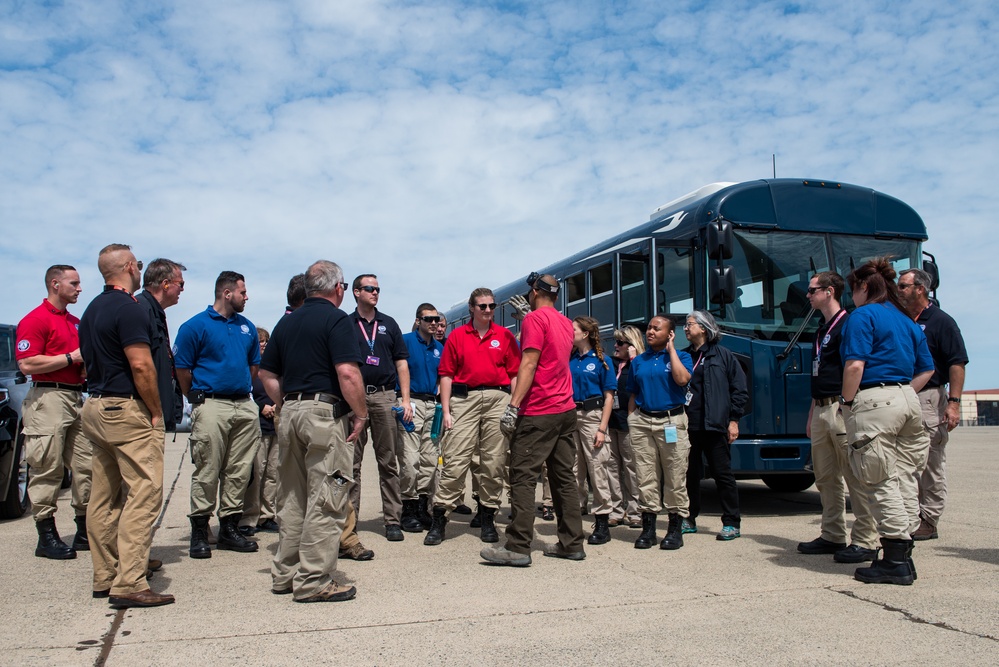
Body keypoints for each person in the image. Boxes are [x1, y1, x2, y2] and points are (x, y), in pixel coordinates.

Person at [259, 260, 368, 603]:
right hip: (325, 415)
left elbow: (266, 375)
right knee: (330, 497)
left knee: (292, 497)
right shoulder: (336, 319)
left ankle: (285, 575)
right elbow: (348, 373)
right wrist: (361, 414)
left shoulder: (286, 324)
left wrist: (291, 404)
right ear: (338, 288)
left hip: (289, 413)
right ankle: (314, 580)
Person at [78, 244, 173, 608]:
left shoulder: (92, 310)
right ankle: (130, 581)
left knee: (104, 496)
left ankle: (106, 574)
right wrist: (154, 411)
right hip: (125, 407)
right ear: (130, 267)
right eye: (138, 264)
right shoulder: (128, 308)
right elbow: (141, 366)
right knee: (144, 493)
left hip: (96, 405)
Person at [840, 258, 933, 585]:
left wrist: (848, 402)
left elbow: (854, 366)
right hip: (908, 399)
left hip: (874, 400)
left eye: (852, 289)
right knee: (906, 476)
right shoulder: (907, 321)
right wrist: (903, 391)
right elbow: (927, 369)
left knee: (878, 480)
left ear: (863, 286)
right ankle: (903, 556)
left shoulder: (862, 315)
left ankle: (894, 558)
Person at [481, 273, 583, 566]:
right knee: (564, 479)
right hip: (565, 409)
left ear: (535, 291)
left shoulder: (534, 321)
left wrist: (513, 407)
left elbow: (529, 363)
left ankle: (518, 546)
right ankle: (571, 543)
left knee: (523, 477)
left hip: (539, 410)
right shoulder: (565, 321)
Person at [174, 271, 261, 558]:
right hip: (211, 404)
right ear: (226, 293)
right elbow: (182, 369)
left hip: (243, 405)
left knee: (239, 470)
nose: (246, 297)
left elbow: (252, 367)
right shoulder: (194, 326)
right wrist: (195, 397)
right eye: (242, 292)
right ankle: (200, 530)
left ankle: (229, 528)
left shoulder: (247, 327)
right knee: (208, 468)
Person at [424, 288, 520, 546]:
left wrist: (514, 405)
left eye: (491, 306)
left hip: (497, 399)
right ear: (471, 308)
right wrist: (446, 410)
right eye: (482, 306)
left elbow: (514, 374)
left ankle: (487, 516)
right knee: (456, 459)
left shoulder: (505, 336)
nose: (487, 310)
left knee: (494, 461)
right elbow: (445, 374)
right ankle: (440, 517)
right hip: (463, 400)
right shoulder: (457, 336)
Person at [796, 272, 878, 564]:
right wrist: (811, 413)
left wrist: (847, 403)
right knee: (825, 477)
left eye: (812, 290)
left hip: (841, 408)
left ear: (829, 291)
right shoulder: (821, 329)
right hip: (820, 408)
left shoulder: (848, 324)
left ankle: (866, 539)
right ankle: (832, 534)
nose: (808, 295)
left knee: (854, 475)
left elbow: (854, 366)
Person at [15, 264, 93, 559]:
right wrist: (69, 357)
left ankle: (84, 530)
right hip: (48, 396)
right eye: (74, 283)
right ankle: (46, 536)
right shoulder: (35, 320)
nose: (79, 288)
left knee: (87, 466)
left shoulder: (75, 322)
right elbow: (27, 364)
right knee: (47, 466)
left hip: (76, 397)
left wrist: (83, 365)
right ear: (55, 284)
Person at [897, 268, 969, 541]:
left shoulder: (941, 322)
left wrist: (954, 404)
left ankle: (929, 518)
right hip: (903, 394)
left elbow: (957, 364)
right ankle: (909, 514)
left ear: (920, 289)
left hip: (930, 398)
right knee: (906, 460)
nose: (899, 290)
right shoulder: (902, 319)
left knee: (930, 462)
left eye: (903, 286)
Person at [349, 274, 410, 541]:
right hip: (355, 399)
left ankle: (392, 520)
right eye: (370, 288)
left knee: (388, 461)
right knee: (351, 463)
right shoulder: (346, 324)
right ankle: (349, 522)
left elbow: (401, 364)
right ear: (356, 292)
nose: (375, 292)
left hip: (385, 397)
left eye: (377, 289)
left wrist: (405, 399)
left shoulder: (389, 324)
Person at [627, 316, 693, 550]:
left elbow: (682, 379)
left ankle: (675, 529)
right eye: (649, 328)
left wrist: (672, 349)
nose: (650, 331)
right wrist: (631, 419)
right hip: (643, 421)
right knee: (645, 477)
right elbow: (633, 393)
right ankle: (649, 529)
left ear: (670, 333)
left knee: (675, 475)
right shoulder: (639, 361)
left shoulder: (682, 356)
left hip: (671, 421)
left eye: (657, 328)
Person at [683, 310, 748, 541]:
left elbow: (739, 390)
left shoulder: (724, 356)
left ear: (704, 328)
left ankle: (731, 522)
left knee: (723, 475)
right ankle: (689, 518)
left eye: (690, 324)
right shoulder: (683, 356)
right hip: (689, 426)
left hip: (715, 425)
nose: (685, 328)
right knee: (689, 475)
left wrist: (733, 420)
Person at [569, 316, 617, 545]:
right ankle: (574, 516)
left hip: (593, 416)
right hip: (571, 416)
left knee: (597, 468)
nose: (570, 332)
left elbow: (609, 397)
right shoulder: (570, 360)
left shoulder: (602, 360)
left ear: (585, 333)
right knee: (573, 469)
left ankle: (602, 521)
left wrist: (602, 429)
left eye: (574, 329)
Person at [397, 303, 445, 532]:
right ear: (418, 321)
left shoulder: (439, 348)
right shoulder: (405, 341)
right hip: (411, 403)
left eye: (436, 319)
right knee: (410, 459)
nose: (434, 323)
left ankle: (421, 507)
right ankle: (407, 507)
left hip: (431, 405)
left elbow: (444, 375)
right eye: (429, 319)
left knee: (430, 460)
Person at [135, 259, 187, 432]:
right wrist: (156, 410)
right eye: (180, 283)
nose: (182, 289)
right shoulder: (140, 308)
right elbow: (140, 364)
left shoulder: (155, 311)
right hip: (144, 412)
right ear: (165, 284)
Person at [240, 327, 280, 535]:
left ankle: (267, 515)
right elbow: (244, 391)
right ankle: (249, 517)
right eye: (260, 341)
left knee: (273, 473)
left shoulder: (274, 366)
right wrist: (260, 407)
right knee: (256, 473)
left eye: (266, 341)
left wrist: (276, 406)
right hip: (257, 426)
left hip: (275, 425)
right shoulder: (250, 366)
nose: (263, 344)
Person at [607, 325, 644, 529]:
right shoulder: (611, 364)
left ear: (631, 345)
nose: (616, 345)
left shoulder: (639, 363)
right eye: (616, 342)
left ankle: (635, 511)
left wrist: (634, 359)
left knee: (631, 467)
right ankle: (616, 509)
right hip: (611, 421)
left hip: (629, 422)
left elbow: (642, 384)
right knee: (612, 467)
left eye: (620, 342)